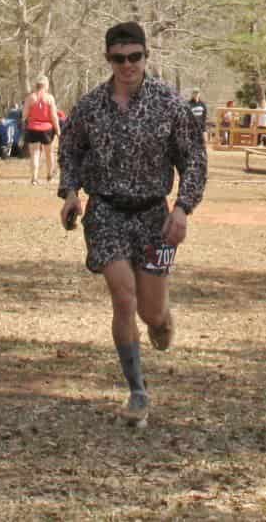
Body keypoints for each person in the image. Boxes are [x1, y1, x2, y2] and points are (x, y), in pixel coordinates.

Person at [58, 22, 207, 427]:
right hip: (105, 212)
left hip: (154, 216)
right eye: (118, 58)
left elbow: (194, 159)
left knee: (150, 311)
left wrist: (182, 209)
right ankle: (137, 391)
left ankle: (162, 321)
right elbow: (69, 150)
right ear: (108, 59)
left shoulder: (169, 104)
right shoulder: (91, 106)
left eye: (134, 57)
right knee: (123, 298)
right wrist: (70, 193)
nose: (127, 65)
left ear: (145, 56)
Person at [23, 76, 61, 184]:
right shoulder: (49, 98)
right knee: (49, 153)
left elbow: (24, 115)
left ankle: (34, 178)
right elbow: (54, 116)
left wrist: (26, 123)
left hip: (33, 128)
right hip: (47, 129)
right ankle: (49, 175)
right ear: (46, 85)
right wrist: (58, 130)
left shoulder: (30, 98)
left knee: (34, 153)